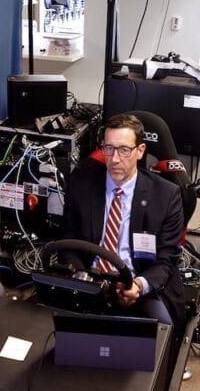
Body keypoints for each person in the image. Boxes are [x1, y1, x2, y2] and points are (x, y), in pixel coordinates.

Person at [60, 113, 185, 328]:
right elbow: (67, 242)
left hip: (139, 282)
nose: (115, 159)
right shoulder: (81, 184)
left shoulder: (166, 195)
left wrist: (138, 285)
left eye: (124, 150)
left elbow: (166, 260)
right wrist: (82, 278)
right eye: (109, 149)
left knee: (162, 336)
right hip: (90, 280)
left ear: (140, 151)